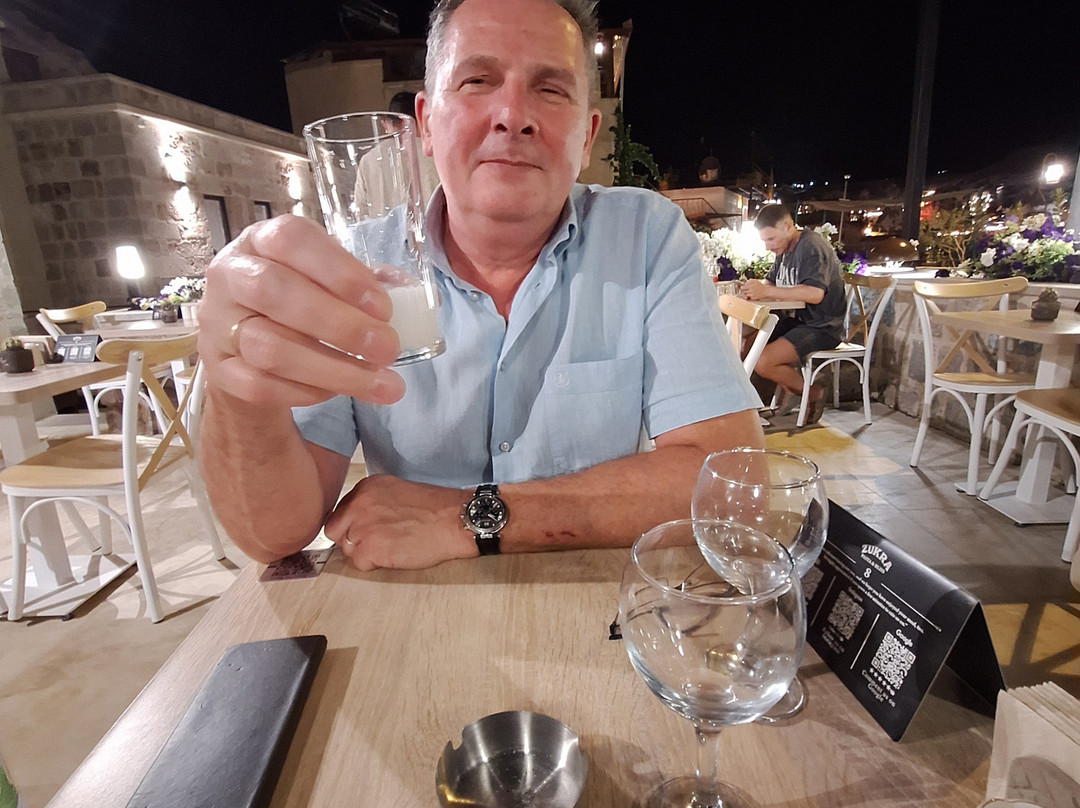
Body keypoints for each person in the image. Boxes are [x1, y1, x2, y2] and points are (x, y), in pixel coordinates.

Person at [196, 0, 764, 571]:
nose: (512, 116)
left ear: (587, 137)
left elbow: (735, 486)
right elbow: (273, 537)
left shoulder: (645, 237)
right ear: (425, 123)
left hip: (587, 603)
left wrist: (467, 517)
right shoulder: (352, 266)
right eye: (477, 81)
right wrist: (236, 383)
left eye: (550, 90)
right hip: (413, 603)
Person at [740, 204, 845, 422]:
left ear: (788, 227)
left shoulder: (811, 247)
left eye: (770, 239)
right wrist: (754, 289)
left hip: (822, 326)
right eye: (764, 241)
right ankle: (791, 389)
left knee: (763, 361)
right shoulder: (784, 249)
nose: (768, 246)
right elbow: (770, 282)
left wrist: (766, 291)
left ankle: (813, 393)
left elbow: (815, 293)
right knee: (747, 346)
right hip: (798, 320)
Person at [354, 91, 441, 215]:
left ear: (385, 124)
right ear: (422, 118)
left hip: (381, 228)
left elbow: (360, 212)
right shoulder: (435, 154)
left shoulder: (367, 161)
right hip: (429, 227)